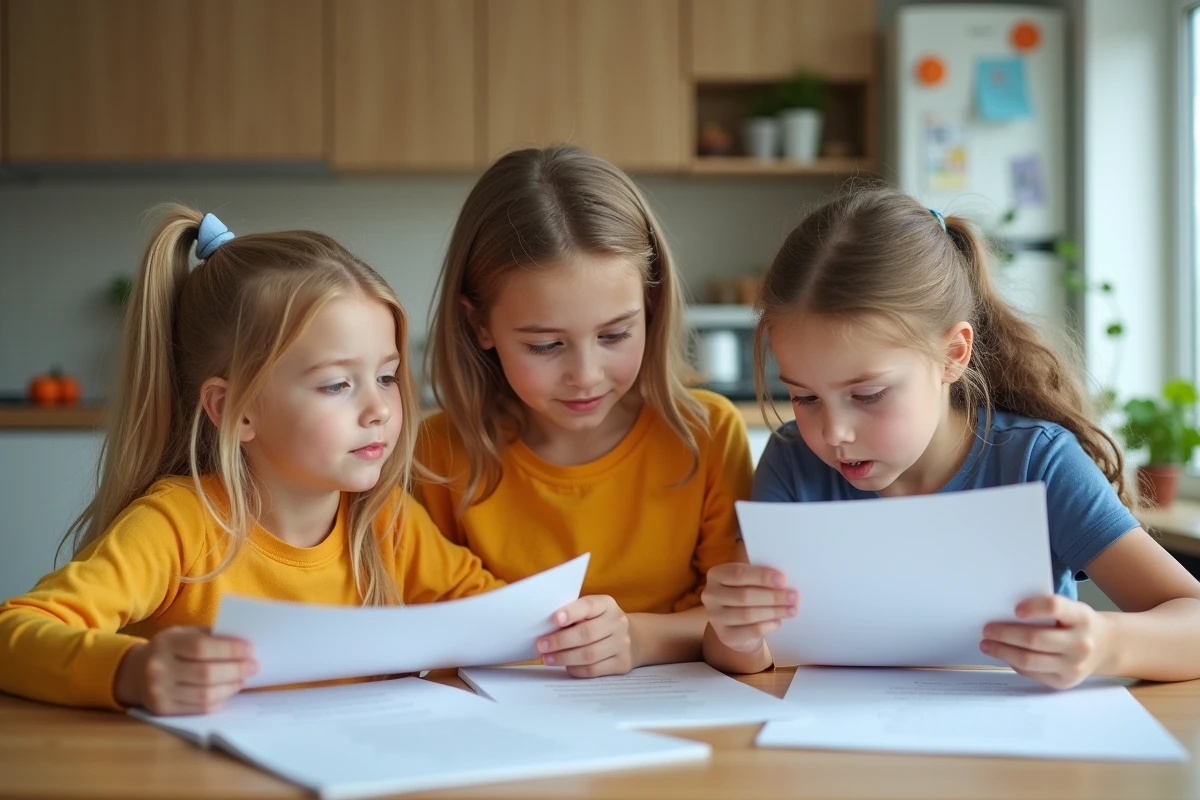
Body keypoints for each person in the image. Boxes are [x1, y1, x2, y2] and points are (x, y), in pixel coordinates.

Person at [0, 207, 503, 714]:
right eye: (337, 384)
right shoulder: (179, 526)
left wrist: (572, 631)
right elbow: (13, 634)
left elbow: (501, 618)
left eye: (388, 377)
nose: (378, 410)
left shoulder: (387, 522)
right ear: (235, 410)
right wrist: (130, 671)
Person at [702, 187, 1200, 688]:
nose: (834, 434)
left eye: (869, 394)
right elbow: (743, 658)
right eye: (805, 398)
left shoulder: (1037, 462)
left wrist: (1107, 644)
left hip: (1016, 752)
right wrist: (736, 633)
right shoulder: (792, 462)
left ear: (953, 355)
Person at [417, 145, 753, 677]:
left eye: (615, 334)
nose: (587, 374)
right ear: (479, 325)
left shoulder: (706, 434)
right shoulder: (437, 452)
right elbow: (425, 622)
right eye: (546, 345)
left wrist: (638, 639)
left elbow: (744, 623)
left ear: (651, 305)